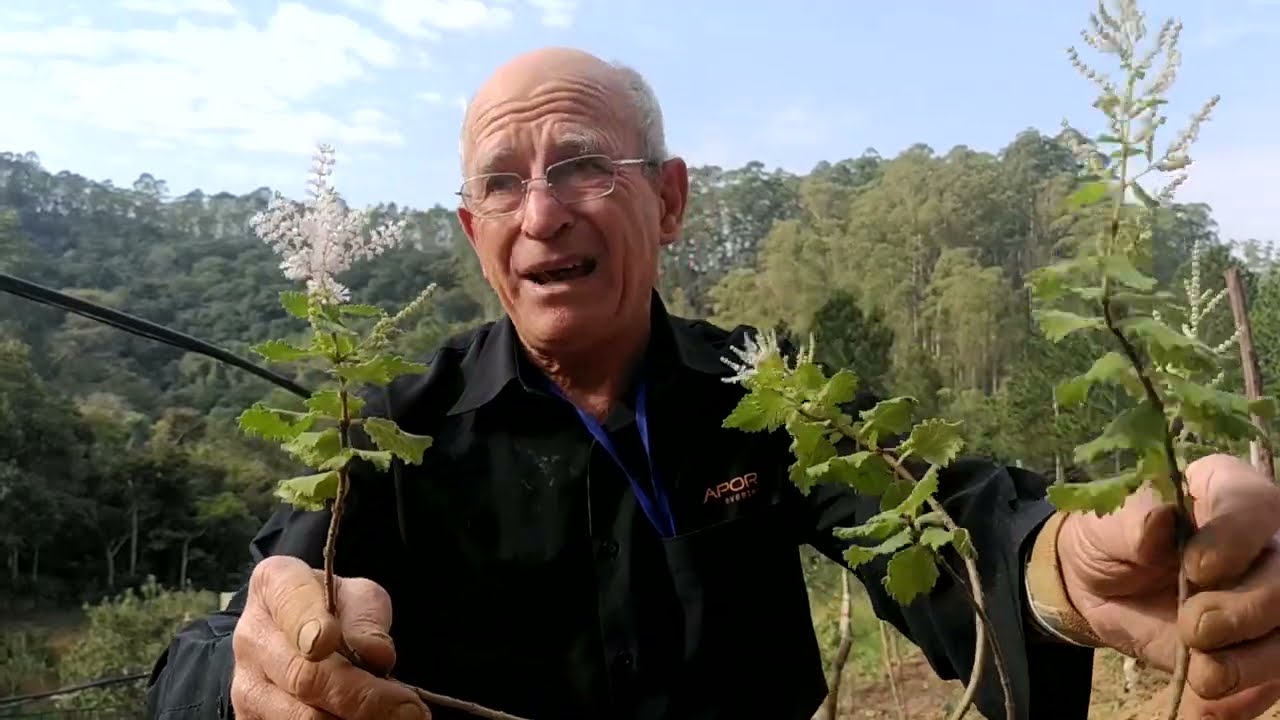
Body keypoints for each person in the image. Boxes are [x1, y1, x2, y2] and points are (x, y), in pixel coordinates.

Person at [144, 47, 1280, 720]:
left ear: (671, 201)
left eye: (582, 164)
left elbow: (940, 514)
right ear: (472, 229)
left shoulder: (766, 391)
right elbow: (227, 628)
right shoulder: (392, 428)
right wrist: (252, 674)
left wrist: (1064, 568)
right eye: (502, 185)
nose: (541, 213)